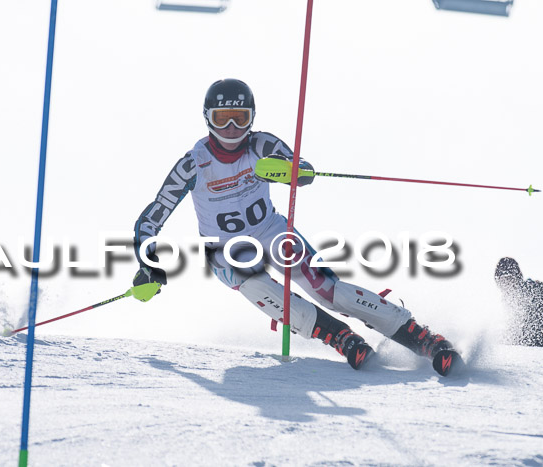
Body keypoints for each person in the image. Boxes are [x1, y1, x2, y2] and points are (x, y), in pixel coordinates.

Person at [132, 78, 462, 375]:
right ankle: (339, 337)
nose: (232, 127)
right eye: (222, 118)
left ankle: (422, 338)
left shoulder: (260, 146)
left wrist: (292, 171)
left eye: (241, 118)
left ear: (252, 118)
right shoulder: (194, 164)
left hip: (271, 231)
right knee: (256, 284)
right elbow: (151, 218)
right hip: (227, 250)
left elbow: (302, 170)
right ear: (208, 118)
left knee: (329, 290)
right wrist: (147, 262)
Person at [494, 257, 543, 347]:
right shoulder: (507, 301)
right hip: (518, 347)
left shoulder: (534, 290)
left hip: (537, 346)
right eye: (502, 281)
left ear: (517, 278)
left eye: (509, 279)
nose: (506, 285)